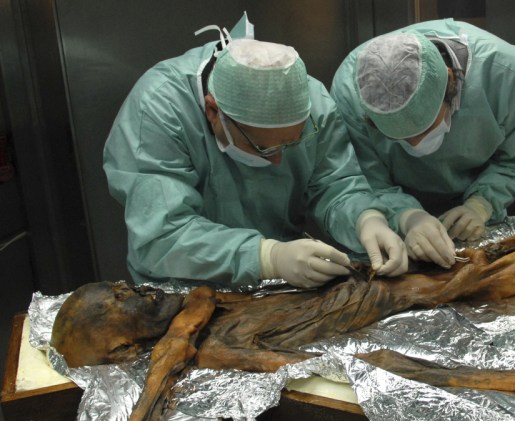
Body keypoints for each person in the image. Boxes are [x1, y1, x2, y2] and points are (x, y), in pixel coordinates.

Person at [104, 15, 407, 289]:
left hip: (284, 284)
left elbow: (335, 184)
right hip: (185, 286)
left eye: (291, 143)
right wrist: (266, 256)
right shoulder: (161, 108)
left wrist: (365, 219)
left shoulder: (310, 101)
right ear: (213, 111)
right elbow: (161, 235)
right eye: (262, 147)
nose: (277, 161)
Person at [330, 19, 515, 269]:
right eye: (399, 137)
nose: (416, 145)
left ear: (450, 81)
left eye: (425, 129)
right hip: (392, 222)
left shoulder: (501, 72)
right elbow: (365, 176)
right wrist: (407, 216)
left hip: (476, 216)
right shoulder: (352, 88)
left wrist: (482, 204)